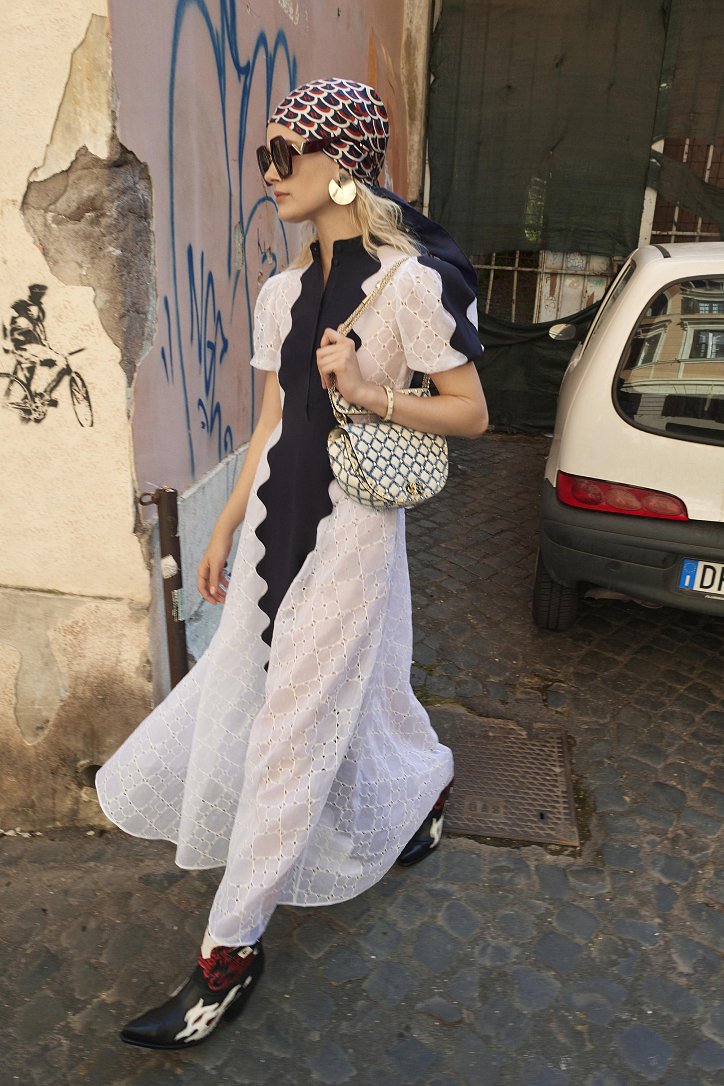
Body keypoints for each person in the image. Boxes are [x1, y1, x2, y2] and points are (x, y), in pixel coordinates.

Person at [95, 77, 488, 1051]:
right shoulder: (281, 293)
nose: (268, 172)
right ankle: (428, 782)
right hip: (278, 522)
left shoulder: (408, 287)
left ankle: (227, 956)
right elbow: (270, 421)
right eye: (264, 155)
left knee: (289, 730)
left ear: (342, 164)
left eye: (285, 154)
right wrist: (227, 523)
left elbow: (471, 412)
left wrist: (368, 389)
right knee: (372, 682)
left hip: (353, 530)